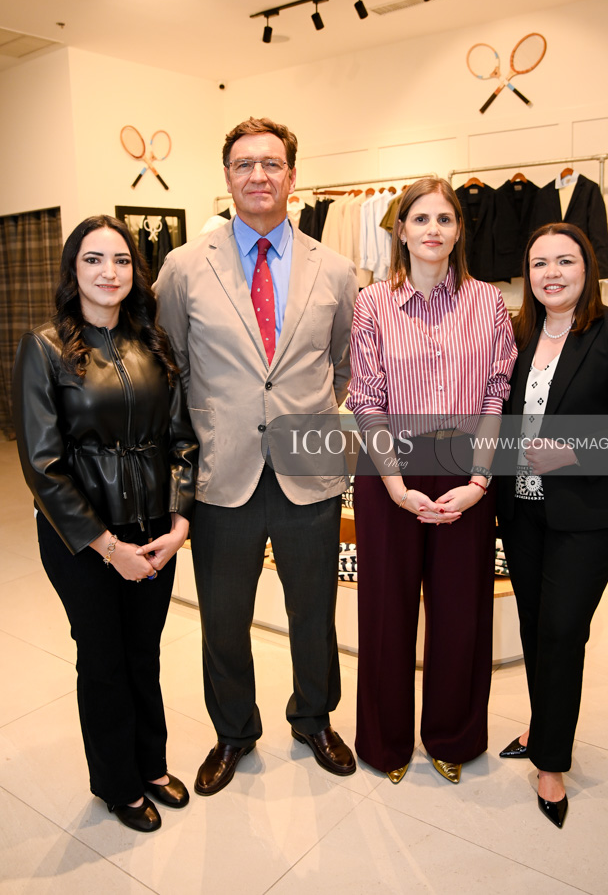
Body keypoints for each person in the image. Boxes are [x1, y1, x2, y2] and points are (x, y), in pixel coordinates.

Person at [154, 117, 358, 794]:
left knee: (314, 612)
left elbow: (340, 366)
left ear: (292, 177)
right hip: (222, 472)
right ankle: (233, 731)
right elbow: (174, 364)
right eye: (244, 165)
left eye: (271, 164)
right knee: (223, 617)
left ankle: (314, 719)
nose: (258, 176)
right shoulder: (184, 267)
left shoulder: (335, 269)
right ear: (227, 177)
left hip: (309, 470)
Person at [12, 215, 199, 833]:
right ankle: (117, 784)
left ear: (134, 272)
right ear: (74, 270)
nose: (108, 272)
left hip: (153, 529)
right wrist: (107, 546)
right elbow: (43, 466)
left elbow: (181, 440)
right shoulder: (44, 348)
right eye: (93, 260)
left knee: (143, 653)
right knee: (103, 659)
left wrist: (180, 521)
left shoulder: (153, 343)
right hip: (82, 540)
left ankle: (151, 764)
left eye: (120, 260)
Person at [346, 177, 517, 785]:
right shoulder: (372, 303)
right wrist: (395, 486)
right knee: (385, 611)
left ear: (459, 230)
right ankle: (385, 742)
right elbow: (366, 400)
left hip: (466, 470)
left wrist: (479, 481)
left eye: (445, 219)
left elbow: (496, 396)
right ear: (400, 230)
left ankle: (453, 736)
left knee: (460, 610)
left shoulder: (488, 302)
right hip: (387, 469)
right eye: (420, 219)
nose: (433, 230)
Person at [496, 222, 608, 828]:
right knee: (535, 625)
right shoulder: (517, 333)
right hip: (522, 509)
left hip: (589, 513)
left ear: (588, 267)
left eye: (565, 261)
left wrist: (570, 450)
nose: (552, 273)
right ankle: (542, 725)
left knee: (563, 630)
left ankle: (551, 761)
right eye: (540, 263)